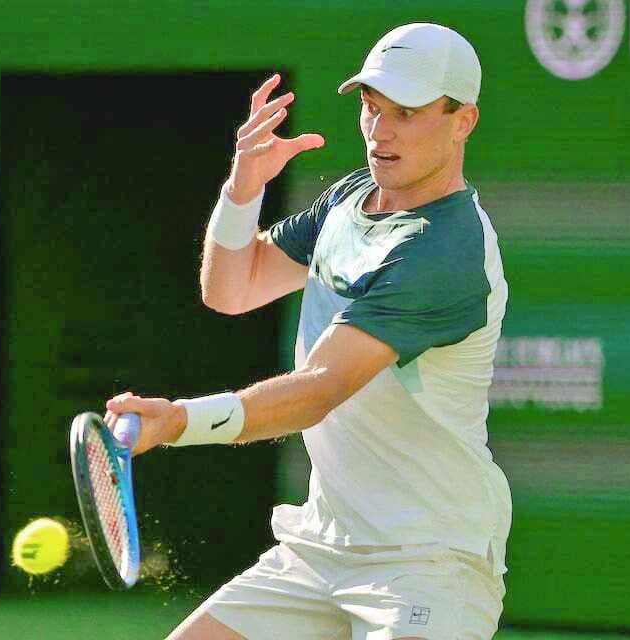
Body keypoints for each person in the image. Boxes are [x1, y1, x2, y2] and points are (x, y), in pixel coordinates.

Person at [104, 23, 511, 640]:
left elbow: (319, 389)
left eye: (406, 113)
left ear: (464, 122)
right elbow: (230, 288)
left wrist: (177, 421)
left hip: (428, 562)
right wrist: (244, 187)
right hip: (322, 546)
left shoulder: (445, 251)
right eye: (372, 110)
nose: (380, 132)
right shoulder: (348, 201)